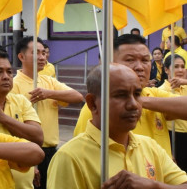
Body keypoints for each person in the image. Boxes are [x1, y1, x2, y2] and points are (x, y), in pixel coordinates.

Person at [48, 64, 187, 189]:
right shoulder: (70, 157)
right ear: (93, 103)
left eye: (137, 94)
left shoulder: (150, 146)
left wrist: (154, 186)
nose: (133, 104)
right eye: (121, 95)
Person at [74, 34, 178, 157]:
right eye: (130, 60)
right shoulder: (99, 107)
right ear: (112, 64)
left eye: (145, 60)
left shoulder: (154, 94)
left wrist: (140, 101)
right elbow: (82, 155)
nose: (140, 67)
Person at [11, 36, 83, 189]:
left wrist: (49, 93)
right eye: (36, 53)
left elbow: (77, 96)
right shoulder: (14, 84)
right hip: (27, 148)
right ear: (21, 56)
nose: (42, 57)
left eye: (44, 53)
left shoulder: (49, 82)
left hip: (51, 150)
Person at [0, 50, 43, 189]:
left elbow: (38, 137)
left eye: (9, 72)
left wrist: (3, 118)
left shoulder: (20, 101)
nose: (6, 77)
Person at [158, 54, 187, 171]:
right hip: (173, 136)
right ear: (166, 69)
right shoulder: (159, 91)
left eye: (182, 66)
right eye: (176, 66)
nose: (180, 70)